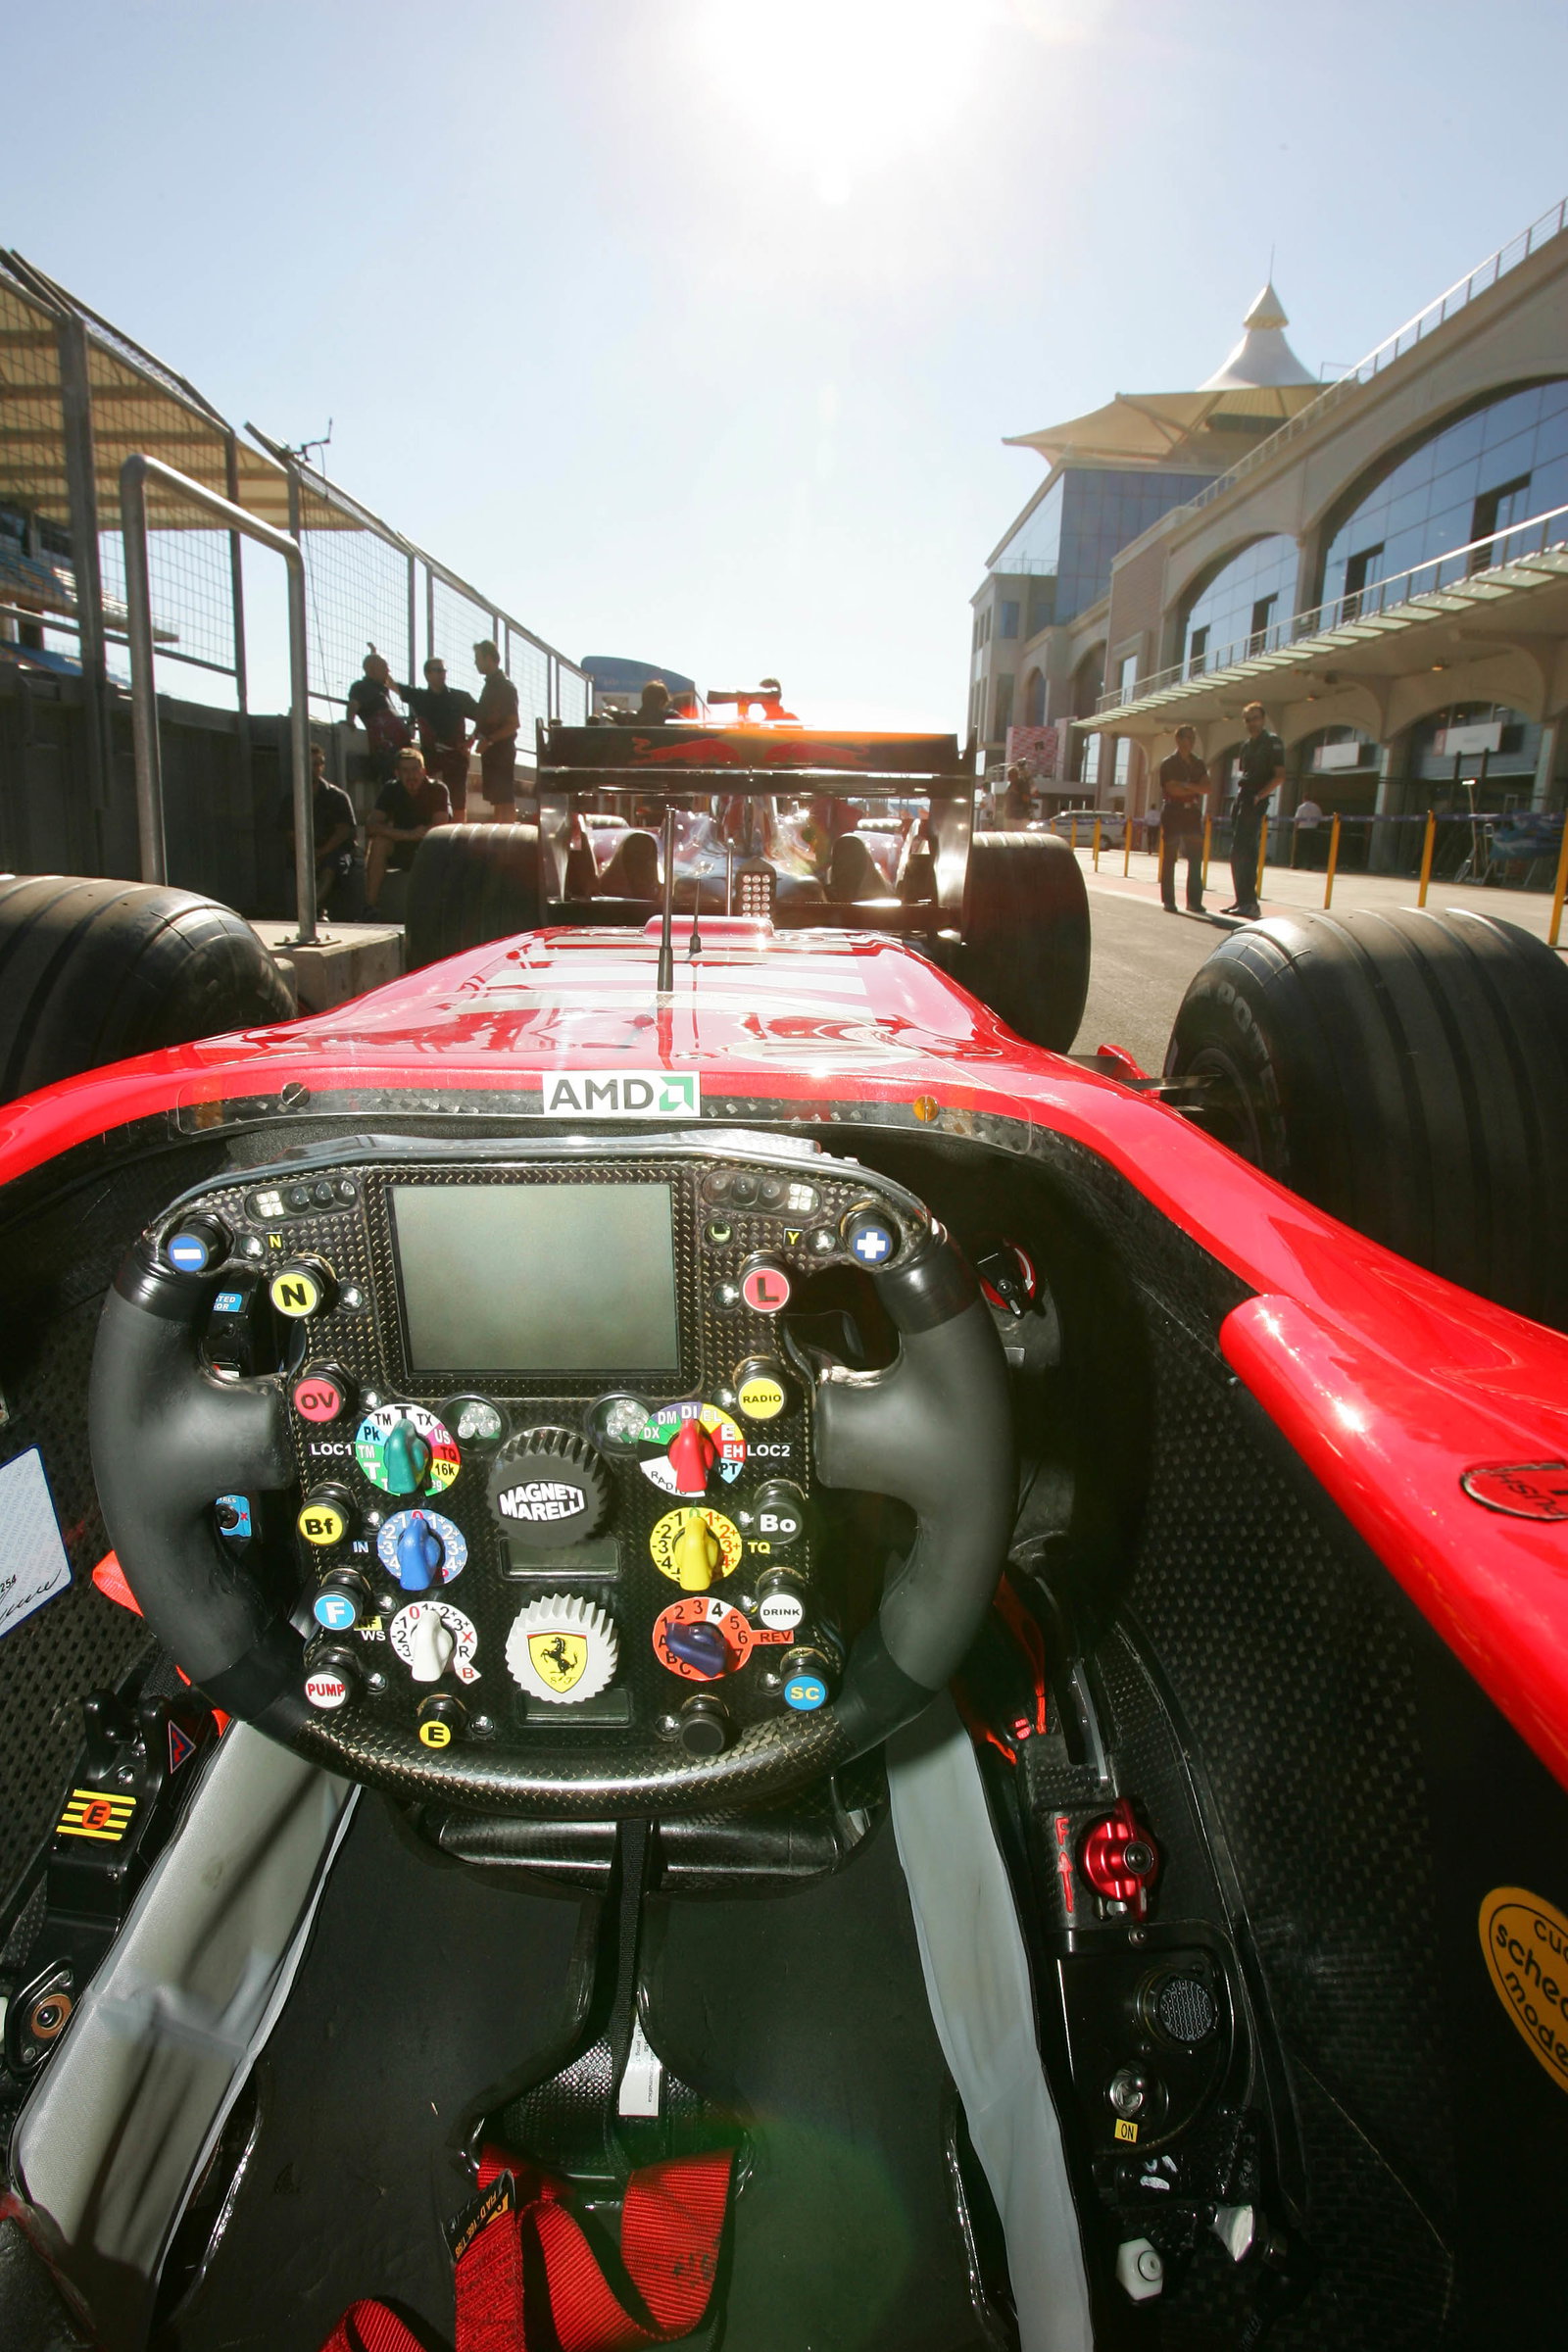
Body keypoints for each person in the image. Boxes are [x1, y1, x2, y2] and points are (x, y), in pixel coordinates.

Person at [365, 745, 453, 913]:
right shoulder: (391, 789)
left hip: (429, 847)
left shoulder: (437, 789)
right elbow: (371, 826)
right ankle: (370, 907)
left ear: (423, 770)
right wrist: (407, 835)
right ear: (397, 773)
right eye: (405, 770)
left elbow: (440, 828)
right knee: (379, 843)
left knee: (438, 845)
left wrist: (415, 835)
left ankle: (435, 910)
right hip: (402, 845)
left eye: (415, 769)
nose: (411, 775)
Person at [280, 744, 360, 917]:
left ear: (322, 766)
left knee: (332, 864)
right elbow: (290, 833)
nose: (313, 769)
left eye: (317, 764)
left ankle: (310, 909)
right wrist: (306, 854)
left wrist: (321, 853)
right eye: (309, 764)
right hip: (304, 851)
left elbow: (343, 832)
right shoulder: (291, 799)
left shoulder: (337, 796)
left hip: (338, 851)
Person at [1226, 700, 1286, 919]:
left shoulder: (1272, 742)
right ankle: (1241, 899)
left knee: (1247, 850)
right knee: (1236, 850)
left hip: (1255, 798)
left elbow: (1279, 775)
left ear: (1263, 719)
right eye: (1248, 720)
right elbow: (1245, 773)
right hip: (1242, 796)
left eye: (1256, 718)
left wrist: (1260, 796)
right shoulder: (1247, 745)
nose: (1252, 723)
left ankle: (1250, 903)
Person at [397, 658, 479, 813]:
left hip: (456, 759)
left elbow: (484, 718)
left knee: (458, 806)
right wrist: (377, 657)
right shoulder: (419, 697)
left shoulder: (459, 698)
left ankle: (458, 836)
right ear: (427, 675)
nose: (442, 674)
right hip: (431, 760)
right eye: (438, 670)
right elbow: (393, 685)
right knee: (431, 804)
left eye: (444, 671)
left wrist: (471, 740)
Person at [1157, 725, 1208, 913]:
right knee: (1170, 857)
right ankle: (1169, 900)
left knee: (1195, 858)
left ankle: (1194, 901)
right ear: (1178, 739)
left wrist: (1186, 785)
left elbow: (1207, 787)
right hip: (1173, 812)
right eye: (1187, 737)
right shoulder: (1168, 764)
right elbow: (1172, 789)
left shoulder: (1198, 763)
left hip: (1192, 814)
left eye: (1193, 738)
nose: (1191, 742)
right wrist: (1194, 788)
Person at [345, 650, 412, 783]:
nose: (388, 671)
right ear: (370, 669)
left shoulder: (383, 689)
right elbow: (353, 704)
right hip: (386, 749)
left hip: (400, 746)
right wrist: (350, 721)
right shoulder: (362, 687)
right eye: (384, 667)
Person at [472, 640, 520, 817]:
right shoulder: (491, 686)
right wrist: (474, 736)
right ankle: (501, 837)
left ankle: (506, 839)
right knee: (498, 800)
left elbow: (513, 724)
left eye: (478, 658)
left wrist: (489, 740)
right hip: (493, 751)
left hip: (501, 750)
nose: (475, 662)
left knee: (504, 800)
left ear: (489, 658)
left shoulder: (504, 686)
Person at [1293, 792, 1324, 868]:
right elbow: (1320, 818)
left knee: (1299, 848)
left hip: (1302, 829)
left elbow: (1297, 819)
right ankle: (1309, 865)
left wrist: (1295, 829)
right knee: (1310, 848)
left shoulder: (1301, 807)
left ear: (1304, 799)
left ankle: (1296, 864)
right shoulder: (1317, 807)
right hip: (1312, 829)